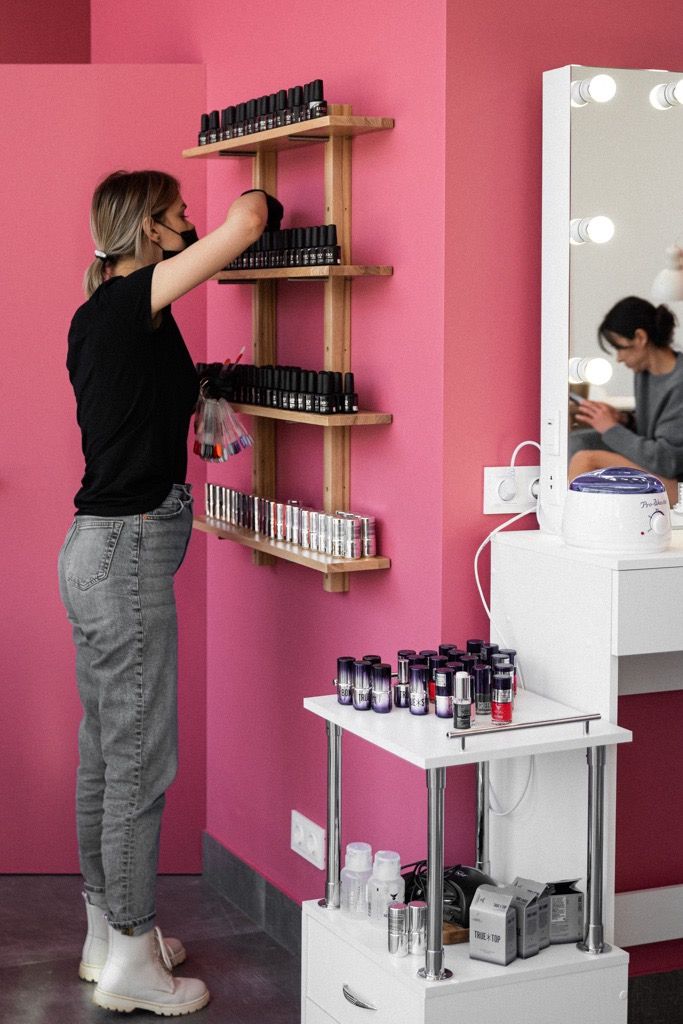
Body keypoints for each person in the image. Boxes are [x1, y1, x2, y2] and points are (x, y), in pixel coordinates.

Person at [57, 170, 267, 1015]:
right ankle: (133, 964)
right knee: (140, 764)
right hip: (125, 552)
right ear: (148, 228)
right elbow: (244, 225)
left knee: (107, 755)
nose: (190, 221)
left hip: (95, 550)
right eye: (179, 212)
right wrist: (261, 190)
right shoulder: (126, 301)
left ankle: (110, 937)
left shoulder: (98, 313)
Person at [568, 296, 683, 505]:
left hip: (676, 482)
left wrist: (611, 429)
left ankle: (568, 519)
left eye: (620, 348)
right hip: (658, 468)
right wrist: (623, 420)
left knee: (585, 459)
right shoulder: (644, 373)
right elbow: (658, 429)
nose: (619, 358)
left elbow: (667, 461)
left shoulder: (679, 382)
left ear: (640, 337)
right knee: (576, 442)